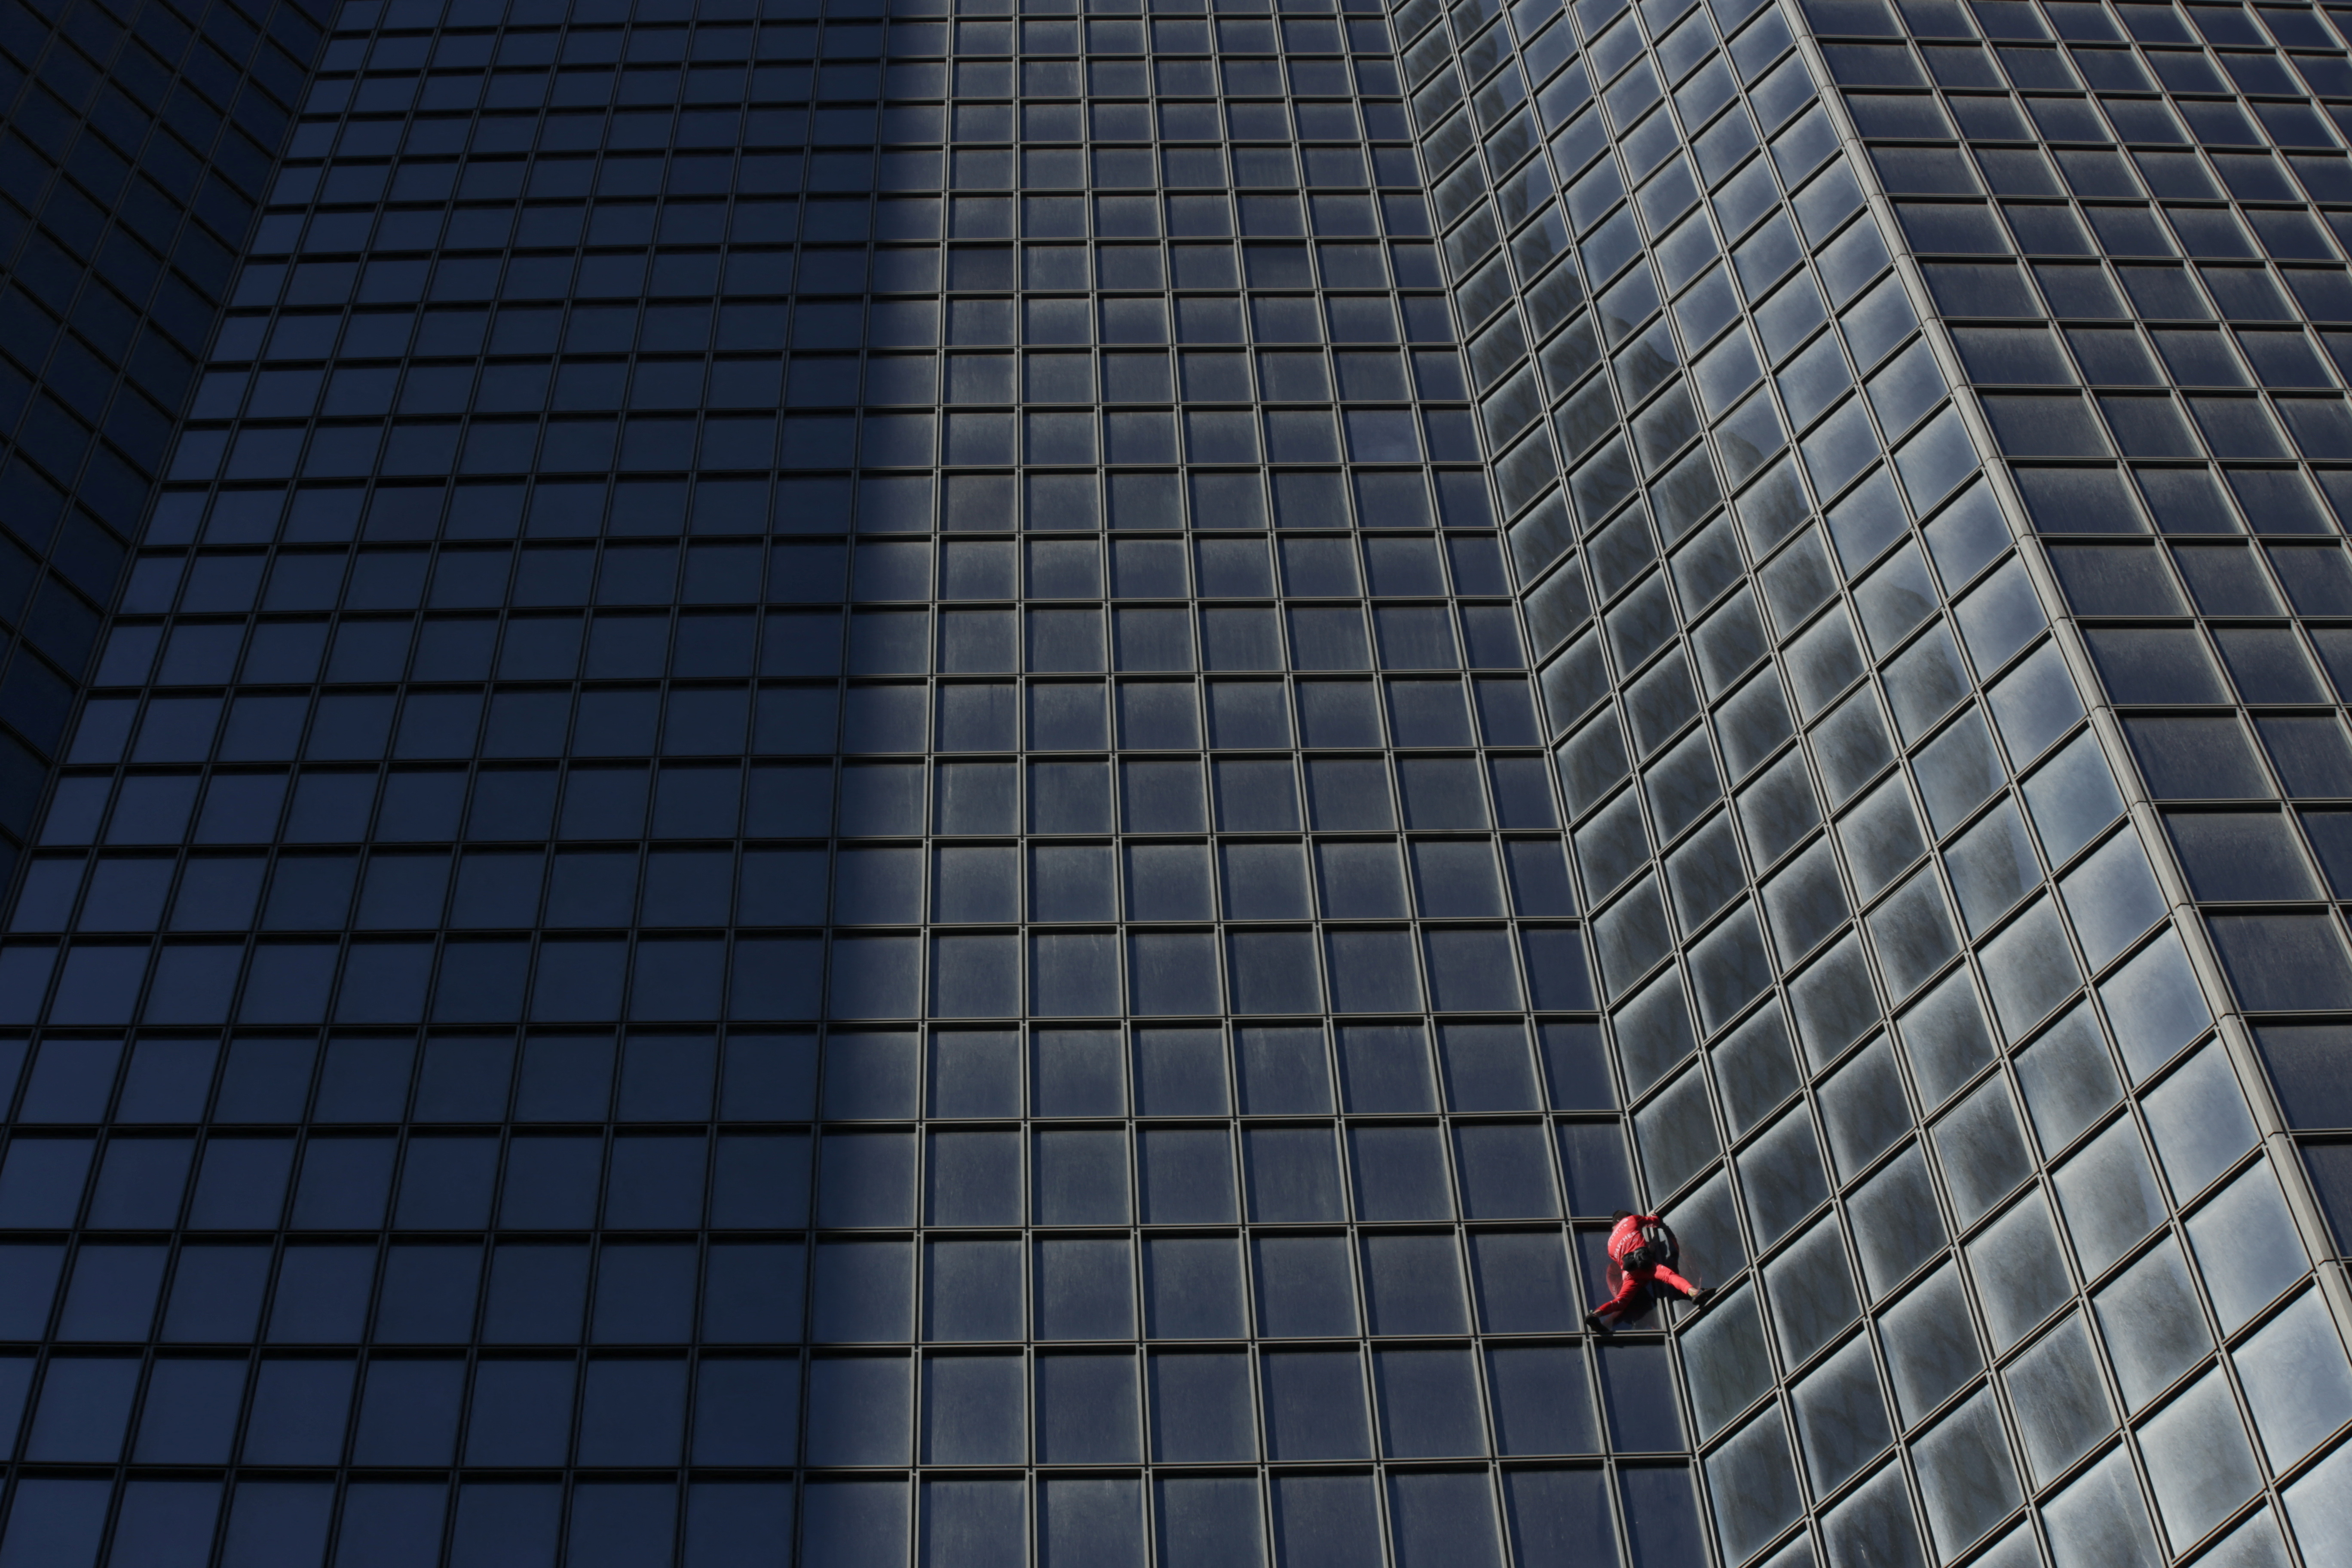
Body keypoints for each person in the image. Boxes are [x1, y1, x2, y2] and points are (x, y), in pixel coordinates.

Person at [1585, 1209, 1712, 1331]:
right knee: (1670, 1276)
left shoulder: (1610, 1245)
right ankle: (1695, 1293)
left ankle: (1596, 1314)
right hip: (1645, 1265)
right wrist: (1653, 1217)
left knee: (1621, 1301)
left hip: (1629, 1274)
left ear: (1614, 1226)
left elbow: (1620, 1261)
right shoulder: (1632, 1220)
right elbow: (1655, 1222)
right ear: (1626, 1217)